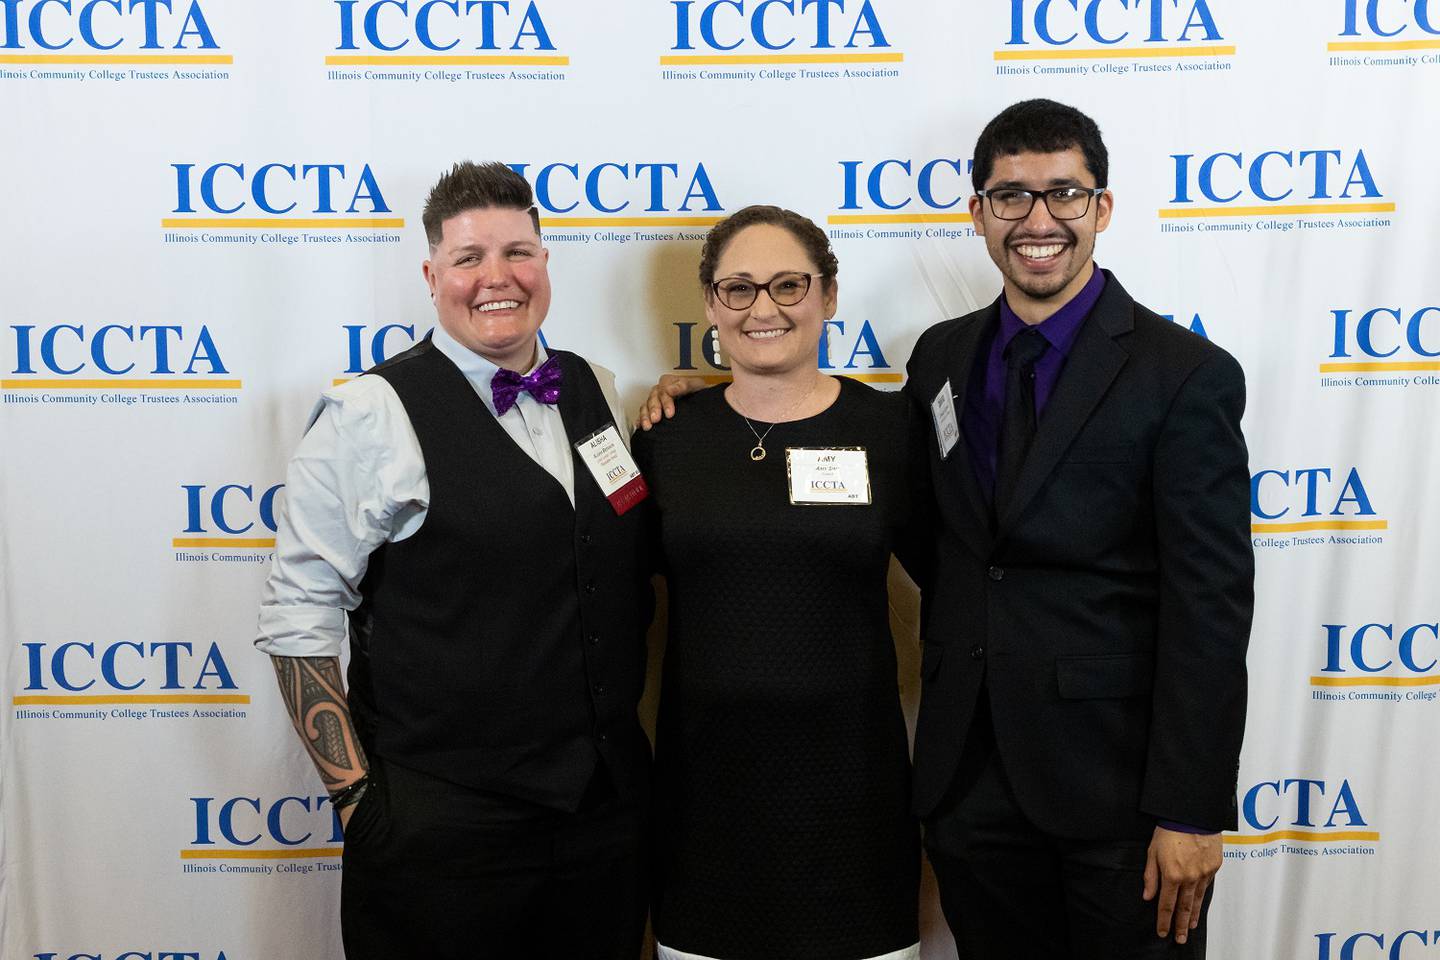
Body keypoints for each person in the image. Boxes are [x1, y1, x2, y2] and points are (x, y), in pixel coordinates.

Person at [641, 100, 1253, 959]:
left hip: (1116, 794)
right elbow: (935, 532)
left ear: (1102, 209)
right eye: (1010, 197)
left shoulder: (1184, 376)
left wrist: (1189, 807)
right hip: (970, 790)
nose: (1037, 220)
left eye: (1064, 195)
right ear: (978, 213)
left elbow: (1212, 607)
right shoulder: (941, 359)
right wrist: (706, 391)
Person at [255, 161, 654, 959]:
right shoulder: (368, 413)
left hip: (603, 815)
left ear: (546, 264)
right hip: (443, 831)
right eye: (470, 258)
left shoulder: (597, 386)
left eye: (519, 252)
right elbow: (300, 613)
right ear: (432, 274)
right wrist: (361, 804)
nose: (496, 278)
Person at [631, 205, 928, 960]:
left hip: (853, 804)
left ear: (828, 296)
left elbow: (963, 589)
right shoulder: (665, 435)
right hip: (707, 810)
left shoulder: (893, 430)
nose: (764, 308)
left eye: (789, 285)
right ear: (710, 306)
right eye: (739, 289)